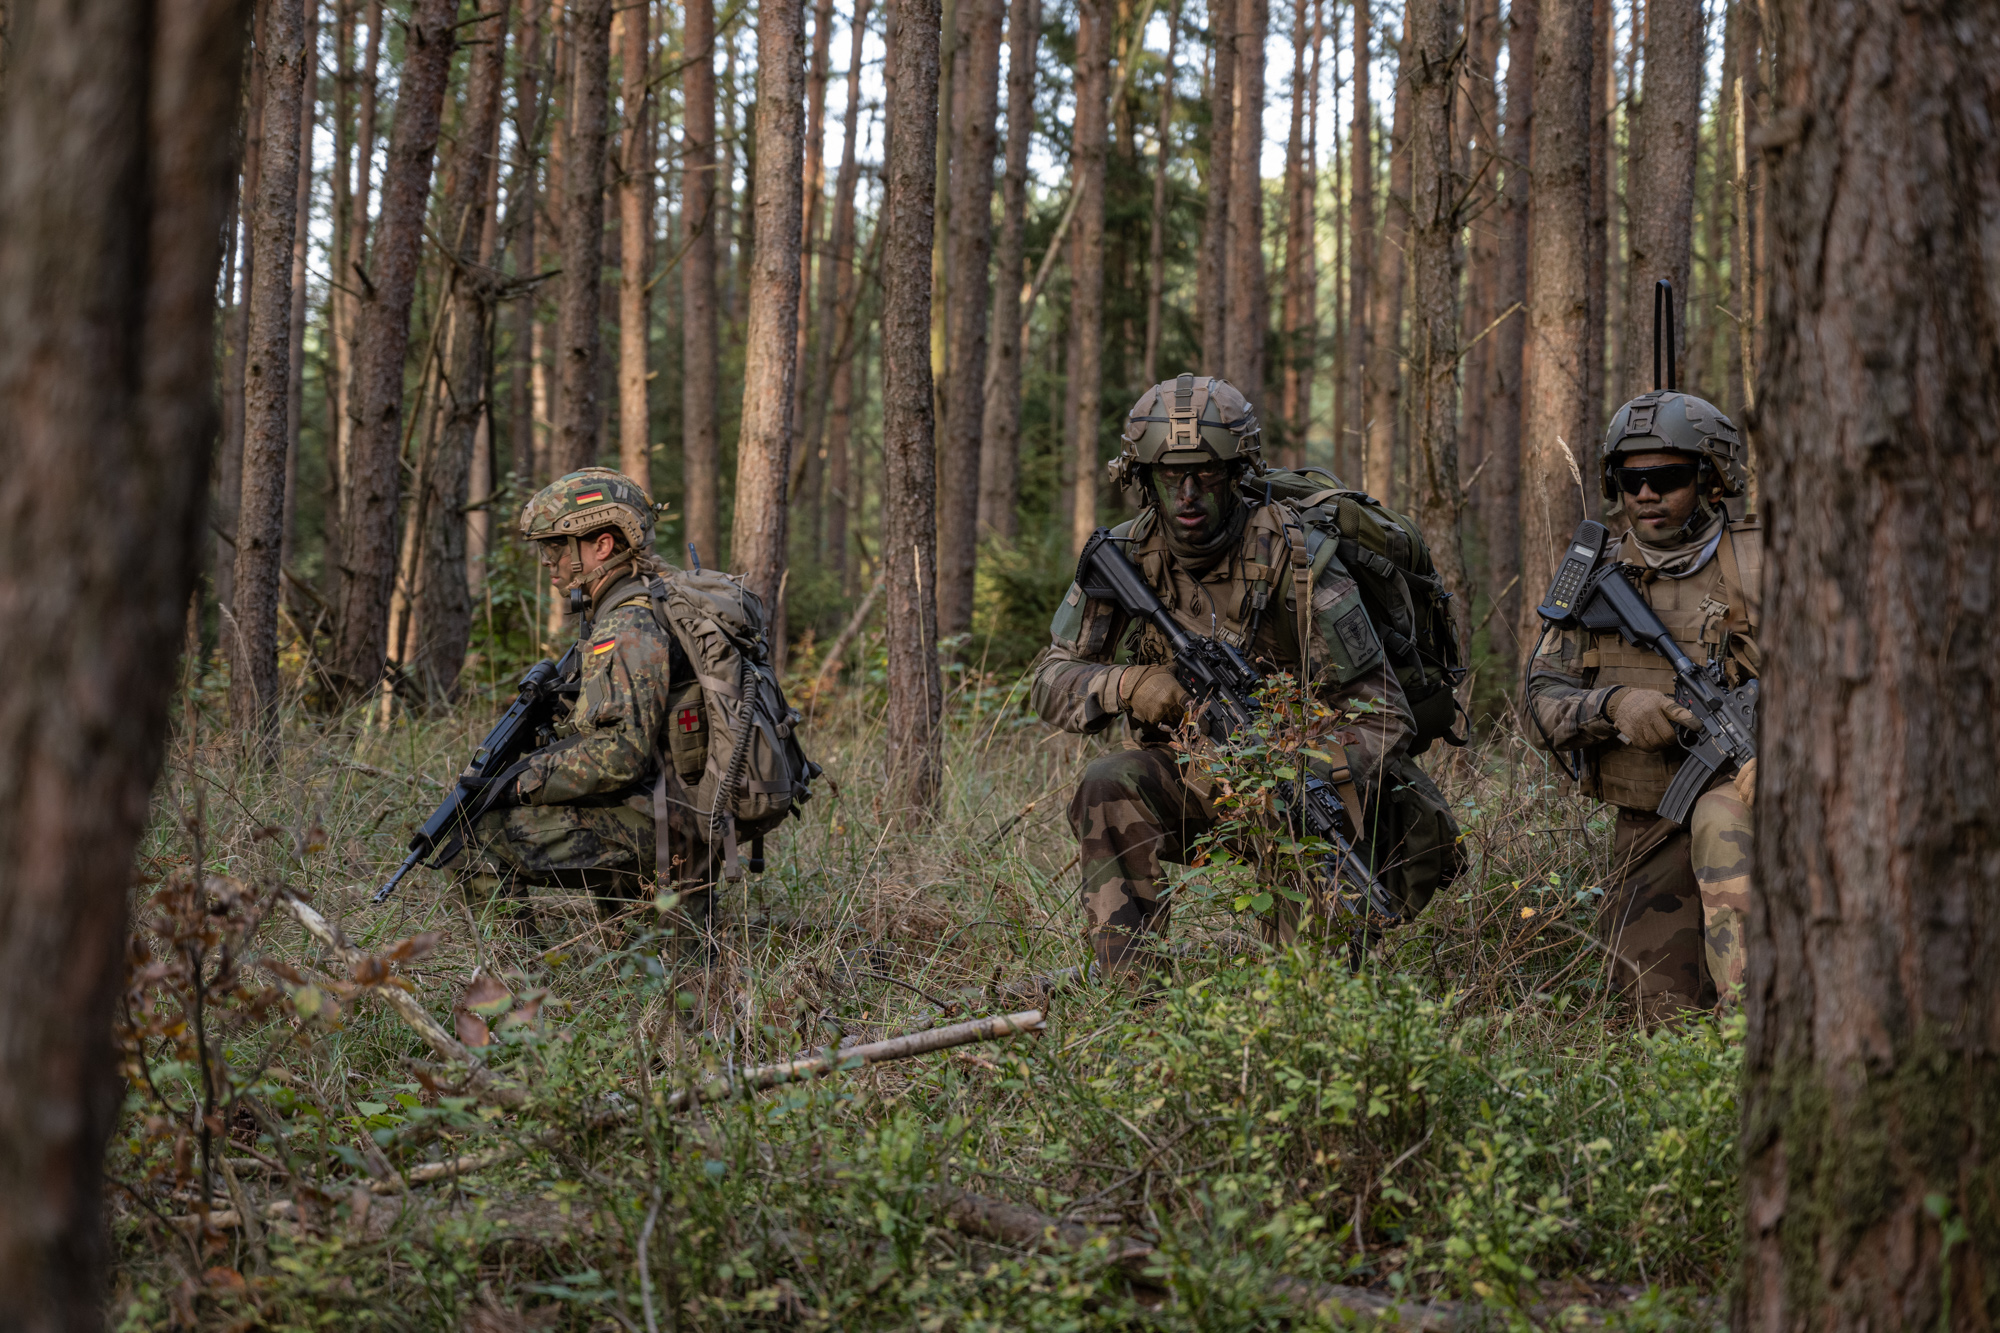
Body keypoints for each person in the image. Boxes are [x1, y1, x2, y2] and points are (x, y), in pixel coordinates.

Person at [1030, 374, 1438, 980]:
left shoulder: (1300, 565)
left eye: (1208, 475)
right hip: (1197, 774)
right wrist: (1128, 685)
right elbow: (1049, 679)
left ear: (1238, 474)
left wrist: (1295, 772)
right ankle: (1128, 991)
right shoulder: (1126, 557)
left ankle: (1306, 992)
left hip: (1305, 776)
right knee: (1107, 783)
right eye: (1172, 477)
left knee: (1304, 993)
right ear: (1144, 479)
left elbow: (1385, 717)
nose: (1189, 493)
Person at [1523, 391, 1759, 1013]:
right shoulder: (1596, 575)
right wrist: (1613, 707)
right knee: (1656, 1019)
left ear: (1712, 480)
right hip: (1649, 826)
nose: (1645, 494)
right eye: (1631, 480)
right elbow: (1540, 699)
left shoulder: (1766, 566)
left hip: (1760, 815)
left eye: (1667, 478)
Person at [458, 467, 720, 924]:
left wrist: (523, 780)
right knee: (662, 977)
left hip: (666, 827)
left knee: (475, 840)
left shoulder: (627, 626)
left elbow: (620, 755)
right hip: (680, 815)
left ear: (602, 546)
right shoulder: (652, 600)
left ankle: (511, 990)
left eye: (558, 544)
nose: (548, 559)